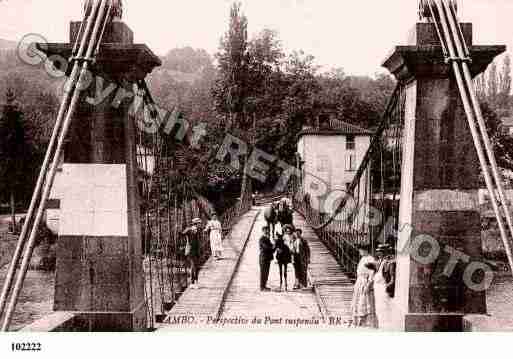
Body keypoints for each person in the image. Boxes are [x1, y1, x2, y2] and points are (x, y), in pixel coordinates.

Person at [350, 244, 378, 328]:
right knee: (358, 300)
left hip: (365, 281)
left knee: (365, 300)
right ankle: (359, 321)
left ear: (365, 250)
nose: (359, 252)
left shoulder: (370, 259)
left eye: (361, 250)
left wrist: (369, 284)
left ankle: (367, 322)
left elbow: (372, 273)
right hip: (359, 281)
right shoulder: (363, 258)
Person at [374, 243, 396, 329]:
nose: (378, 254)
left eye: (381, 252)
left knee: (385, 310)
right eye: (378, 252)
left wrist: (385, 288)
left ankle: (386, 327)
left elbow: (392, 279)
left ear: (385, 253)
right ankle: (381, 325)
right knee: (379, 310)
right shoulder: (380, 262)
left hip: (383, 289)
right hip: (377, 289)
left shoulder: (389, 263)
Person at [183, 218, 202, 289]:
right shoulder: (189, 230)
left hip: (196, 251)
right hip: (191, 251)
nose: (200, 225)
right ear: (196, 224)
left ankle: (193, 283)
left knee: (194, 266)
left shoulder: (198, 231)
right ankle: (194, 282)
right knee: (194, 266)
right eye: (199, 223)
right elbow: (182, 234)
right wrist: (187, 229)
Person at [259, 225, 274, 291]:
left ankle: (264, 286)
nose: (267, 231)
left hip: (267, 258)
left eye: (268, 230)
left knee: (266, 272)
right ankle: (262, 287)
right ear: (263, 231)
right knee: (263, 273)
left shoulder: (267, 239)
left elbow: (272, 249)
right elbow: (266, 247)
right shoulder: (262, 239)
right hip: (263, 258)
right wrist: (273, 247)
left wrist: (276, 246)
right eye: (266, 230)